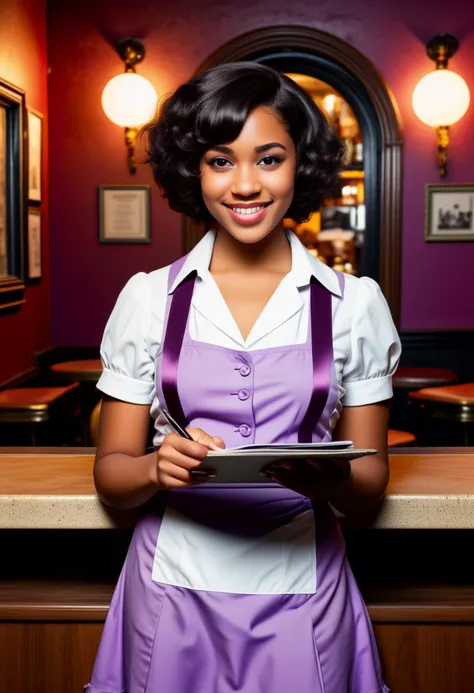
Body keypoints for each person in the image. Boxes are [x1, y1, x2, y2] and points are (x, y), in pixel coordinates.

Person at [85, 62, 400, 693]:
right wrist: (153, 468)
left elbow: (371, 486)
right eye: (221, 161)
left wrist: (334, 475)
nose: (246, 184)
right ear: (192, 171)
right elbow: (112, 476)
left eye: (269, 158)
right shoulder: (149, 299)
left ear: (300, 166)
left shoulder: (354, 304)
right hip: (170, 593)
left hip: (304, 587)